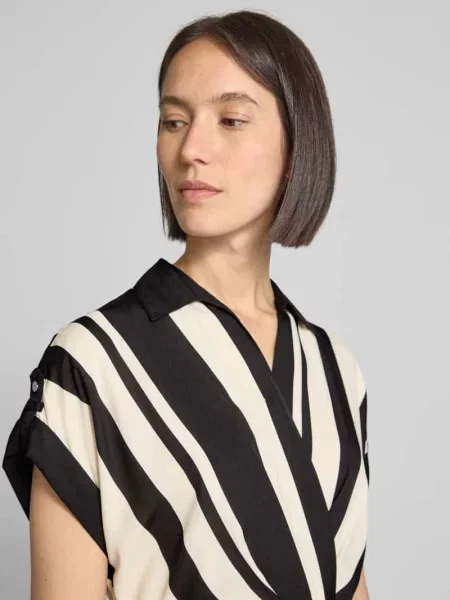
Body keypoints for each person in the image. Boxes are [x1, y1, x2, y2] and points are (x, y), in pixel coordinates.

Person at [2, 9, 370, 600]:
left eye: (231, 120)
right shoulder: (92, 363)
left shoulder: (334, 370)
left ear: (298, 141)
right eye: (173, 121)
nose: (191, 149)